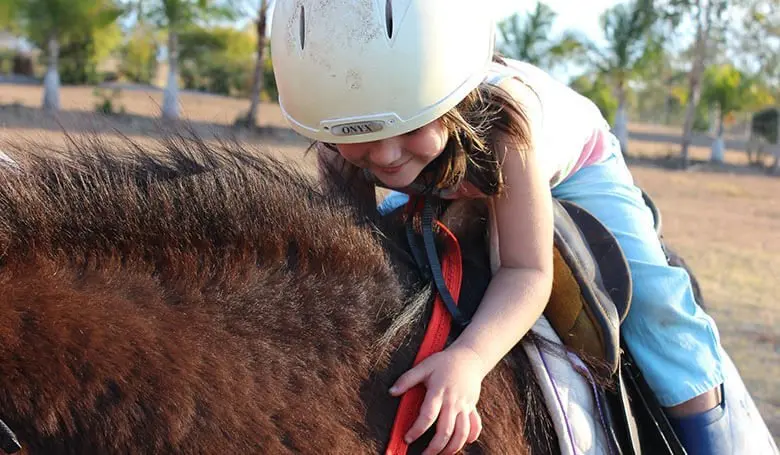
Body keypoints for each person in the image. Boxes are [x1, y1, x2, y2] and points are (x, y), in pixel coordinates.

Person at [269, 2, 774, 454]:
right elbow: (357, 254)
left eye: (409, 126)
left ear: (454, 101)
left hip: (574, 167)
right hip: (446, 175)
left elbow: (526, 271)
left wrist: (469, 359)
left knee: (657, 303)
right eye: (359, 136)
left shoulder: (507, 130)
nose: (384, 156)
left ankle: (716, 437)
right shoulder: (340, 144)